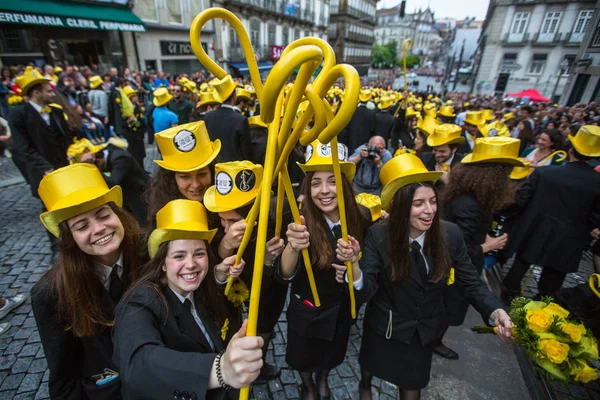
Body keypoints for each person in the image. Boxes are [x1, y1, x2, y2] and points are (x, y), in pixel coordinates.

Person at [357, 153, 513, 400]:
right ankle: (364, 387)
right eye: (418, 203)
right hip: (384, 328)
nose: (429, 210)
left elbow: (470, 281)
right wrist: (354, 273)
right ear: (399, 205)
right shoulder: (378, 236)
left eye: (432, 201)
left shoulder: (450, 234)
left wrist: (496, 312)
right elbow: (366, 286)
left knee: (412, 387)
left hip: (422, 332)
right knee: (369, 374)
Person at [113, 199, 261, 399]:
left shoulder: (201, 286)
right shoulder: (139, 303)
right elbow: (139, 364)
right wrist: (221, 369)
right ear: (162, 263)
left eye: (199, 253)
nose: (191, 264)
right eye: (179, 256)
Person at [31, 163, 143, 399]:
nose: (99, 229)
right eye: (82, 226)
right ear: (69, 237)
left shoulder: (149, 254)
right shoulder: (51, 292)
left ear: (118, 214)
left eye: (103, 215)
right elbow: (63, 375)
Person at [278, 140, 369, 400]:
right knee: (304, 357)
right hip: (306, 310)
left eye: (333, 181)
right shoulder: (296, 218)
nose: (325, 190)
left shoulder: (361, 216)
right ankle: (308, 385)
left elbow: (368, 271)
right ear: (307, 186)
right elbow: (284, 274)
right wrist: (292, 248)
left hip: (340, 310)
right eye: (316, 182)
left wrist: (353, 265)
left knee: (330, 354)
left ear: (345, 184)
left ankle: (323, 380)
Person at [440, 137, 523, 359]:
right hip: (455, 273)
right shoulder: (470, 204)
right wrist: (488, 246)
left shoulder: (469, 193)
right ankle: (433, 342)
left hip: (454, 272)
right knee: (445, 309)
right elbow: (459, 249)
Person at [204, 161, 287, 380]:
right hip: (231, 298)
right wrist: (226, 245)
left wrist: (269, 261)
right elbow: (215, 265)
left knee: (264, 324)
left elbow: (278, 280)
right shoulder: (219, 230)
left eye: (233, 221)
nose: (225, 227)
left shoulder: (273, 227)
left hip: (265, 295)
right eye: (222, 220)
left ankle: (258, 364)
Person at [503, 125, 600, 300]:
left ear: (571, 150)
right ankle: (543, 302)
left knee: (521, 263)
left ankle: (509, 294)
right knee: (553, 279)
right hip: (570, 237)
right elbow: (596, 217)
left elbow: (521, 199)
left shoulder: (544, 173)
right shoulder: (596, 182)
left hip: (536, 228)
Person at [9, 67, 71, 198]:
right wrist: (45, 168)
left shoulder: (56, 112)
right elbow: (23, 147)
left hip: (64, 169)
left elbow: (65, 138)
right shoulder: (18, 114)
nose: (53, 94)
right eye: (49, 91)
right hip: (42, 172)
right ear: (37, 93)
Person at [146, 121, 221, 225]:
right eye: (185, 177)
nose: (195, 185)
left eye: (202, 174)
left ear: (212, 172)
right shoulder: (162, 213)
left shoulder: (226, 207)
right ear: (171, 179)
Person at [81, 142, 150, 226]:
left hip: (138, 191)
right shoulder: (106, 152)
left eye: (98, 166)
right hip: (127, 191)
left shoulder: (120, 158)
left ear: (98, 160)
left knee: (144, 218)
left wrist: (93, 168)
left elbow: (113, 183)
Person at [204, 75, 252, 163]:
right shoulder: (241, 120)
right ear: (234, 96)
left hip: (214, 167)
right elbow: (247, 152)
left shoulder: (208, 117)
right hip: (235, 171)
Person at [419, 124, 465, 189]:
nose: (437, 155)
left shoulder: (463, 164)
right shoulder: (424, 159)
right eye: (435, 150)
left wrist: (448, 182)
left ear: (454, 149)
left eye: (442, 151)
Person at [342, 90, 375, 154]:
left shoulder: (352, 112)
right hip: (365, 141)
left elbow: (347, 127)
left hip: (352, 139)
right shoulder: (371, 113)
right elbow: (372, 128)